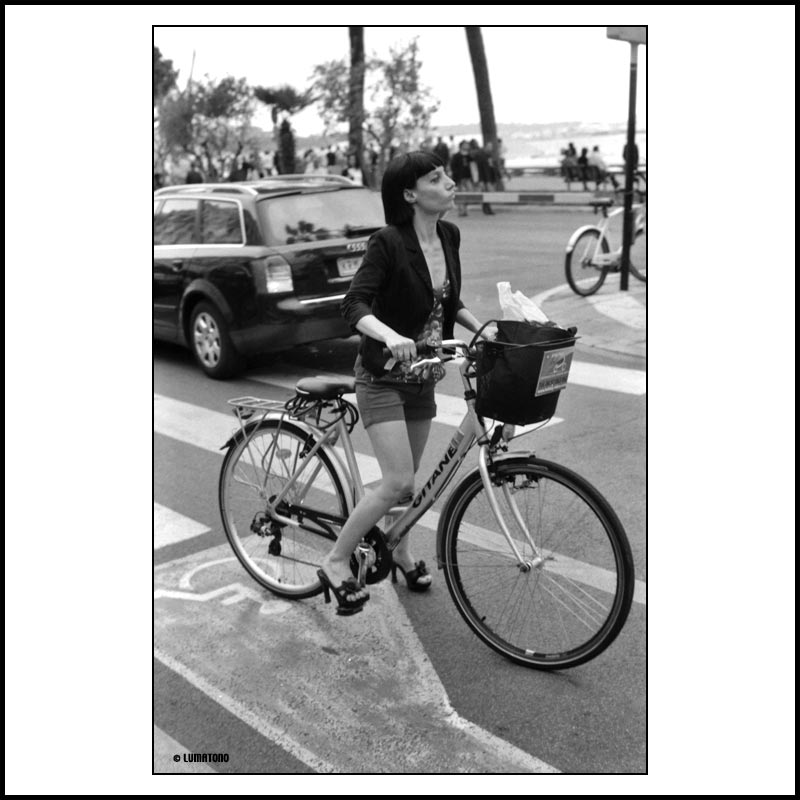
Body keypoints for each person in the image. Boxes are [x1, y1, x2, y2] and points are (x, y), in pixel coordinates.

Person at [317, 151, 495, 615]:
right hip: (383, 377)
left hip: (423, 375)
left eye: (446, 175)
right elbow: (353, 304)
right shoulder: (388, 242)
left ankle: (398, 550)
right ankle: (335, 561)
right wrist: (389, 335)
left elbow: (448, 301)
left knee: (409, 486)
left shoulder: (449, 235)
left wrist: (483, 329)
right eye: (436, 178)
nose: (450, 182)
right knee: (397, 480)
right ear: (411, 194)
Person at [449, 140, 472, 217]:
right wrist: (456, 177)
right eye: (465, 144)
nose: (467, 146)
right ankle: (461, 210)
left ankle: (465, 208)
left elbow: (473, 167)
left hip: (468, 178)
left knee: (469, 193)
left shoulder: (469, 156)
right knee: (461, 193)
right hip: (460, 178)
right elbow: (453, 167)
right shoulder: (456, 156)